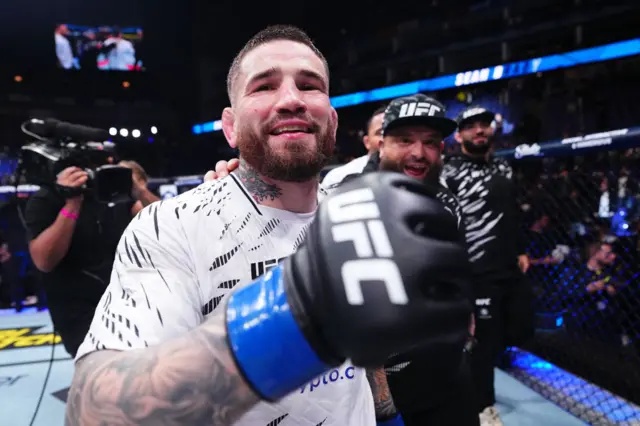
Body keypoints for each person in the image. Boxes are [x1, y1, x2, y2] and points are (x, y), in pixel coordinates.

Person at [66, 25, 471, 426]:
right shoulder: (172, 226)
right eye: (264, 86)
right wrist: (298, 314)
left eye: (310, 85)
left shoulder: (349, 217)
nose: (292, 99)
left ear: (330, 122)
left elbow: (363, 365)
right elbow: (94, 413)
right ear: (230, 127)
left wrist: (385, 409)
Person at [209, 94, 479, 426]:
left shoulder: (444, 193)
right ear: (382, 143)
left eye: (431, 142)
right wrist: (238, 185)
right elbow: (284, 220)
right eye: (405, 140)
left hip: (446, 373)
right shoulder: (340, 191)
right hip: (377, 388)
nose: (418, 153)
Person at [442, 105, 533, 426]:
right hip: (474, 269)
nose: (479, 130)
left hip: (508, 265)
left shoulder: (504, 168)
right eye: (471, 126)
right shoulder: (448, 172)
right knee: (484, 341)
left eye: (484, 125)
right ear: (459, 134)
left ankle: (471, 381)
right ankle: (483, 407)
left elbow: (512, 212)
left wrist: (521, 249)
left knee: (520, 328)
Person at [23, 161, 159, 357]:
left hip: (129, 304)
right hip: (79, 310)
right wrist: (72, 202)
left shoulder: (121, 200)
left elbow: (165, 222)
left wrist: (140, 190)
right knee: (107, 374)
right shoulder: (47, 199)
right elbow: (44, 261)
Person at [321, 105, 386, 187]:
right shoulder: (338, 177)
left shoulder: (406, 172)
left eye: (397, 134)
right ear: (367, 142)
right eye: (381, 133)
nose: (388, 138)